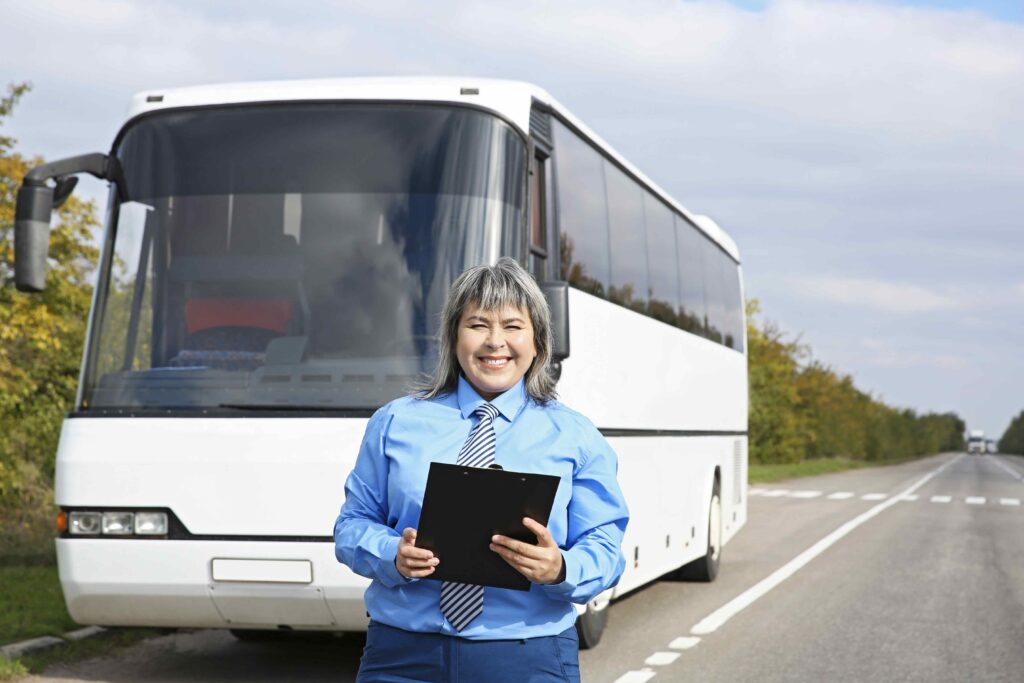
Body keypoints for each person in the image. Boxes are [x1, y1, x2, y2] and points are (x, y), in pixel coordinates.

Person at [334, 257, 629, 682]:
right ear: (453, 338)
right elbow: (351, 525)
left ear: (538, 342)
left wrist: (560, 569)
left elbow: (605, 548)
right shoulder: (395, 422)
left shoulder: (576, 436)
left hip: (529, 657)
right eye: (477, 325)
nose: (495, 342)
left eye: (513, 326)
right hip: (402, 656)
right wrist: (391, 555)